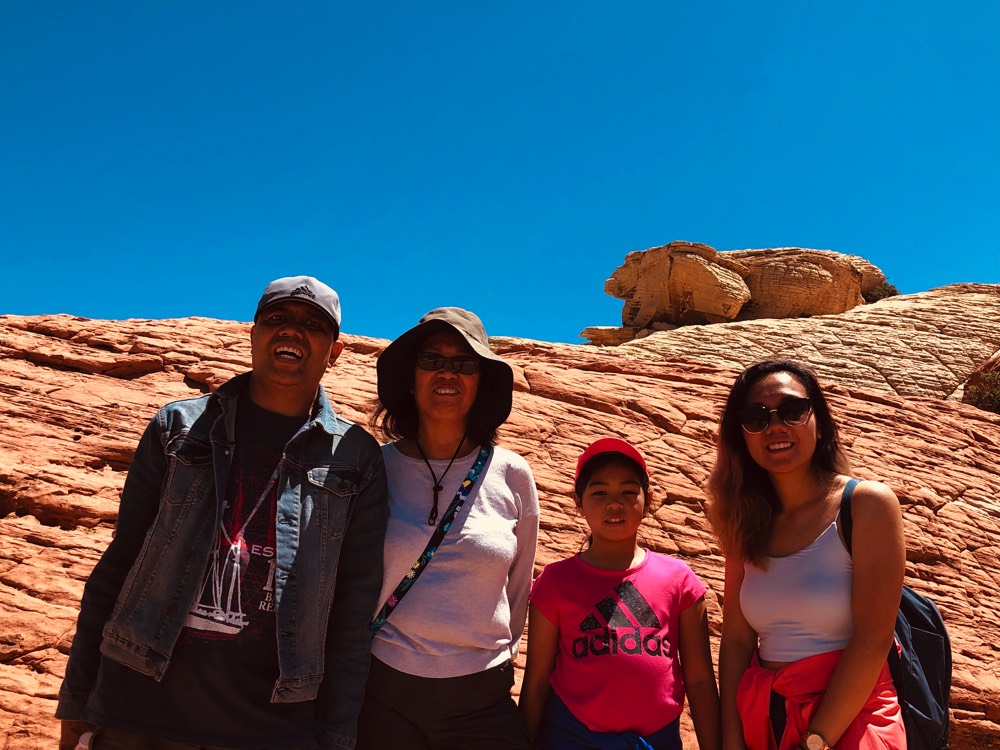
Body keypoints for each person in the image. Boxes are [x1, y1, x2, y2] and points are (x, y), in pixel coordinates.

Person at [56, 276, 389, 750]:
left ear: (334, 353)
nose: (292, 331)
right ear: (253, 334)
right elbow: (120, 562)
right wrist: (76, 698)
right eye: (276, 318)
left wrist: (336, 736)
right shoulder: (178, 427)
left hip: (271, 725)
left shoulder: (354, 457)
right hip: (136, 708)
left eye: (313, 325)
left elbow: (352, 610)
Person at [357, 307, 539, 750]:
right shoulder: (376, 467)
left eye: (464, 363)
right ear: (411, 377)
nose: (447, 373)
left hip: (480, 697)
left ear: (482, 381)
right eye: (432, 360)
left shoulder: (512, 474)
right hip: (383, 692)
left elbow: (518, 590)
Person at [706, 359, 906, 750]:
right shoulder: (743, 521)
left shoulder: (865, 504)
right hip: (766, 721)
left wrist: (815, 742)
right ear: (741, 436)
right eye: (755, 417)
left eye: (793, 410)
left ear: (821, 422)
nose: (775, 426)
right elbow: (736, 641)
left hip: (853, 722)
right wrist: (732, 737)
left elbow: (873, 638)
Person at [520, 437, 722, 750]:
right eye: (599, 492)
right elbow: (536, 680)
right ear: (578, 502)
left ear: (648, 500)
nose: (615, 503)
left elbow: (699, 679)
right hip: (573, 740)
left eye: (628, 492)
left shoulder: (678, 579)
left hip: (656, 742)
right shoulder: (556, 582)